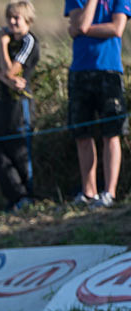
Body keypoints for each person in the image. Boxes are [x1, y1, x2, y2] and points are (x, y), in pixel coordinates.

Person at [66, 0, 131, 208]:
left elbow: (116, 28)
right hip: (79, 71)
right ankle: (88, 192)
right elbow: (78, 24)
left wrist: (83, 29)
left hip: (109, 70)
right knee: (82, 134)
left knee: (111, 133)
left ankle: (109, 193)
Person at [0, 1, 40, 211]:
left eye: (16, 18)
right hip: (3, 101)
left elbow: (11, 70)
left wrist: (2, 44)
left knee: (19, 152)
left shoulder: (29, 41)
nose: (11, 22)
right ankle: (14, 197)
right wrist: (8, 81)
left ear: (26, 19)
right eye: (9, 17)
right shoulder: (8, 38)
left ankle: (28, 196)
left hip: (21, 105)